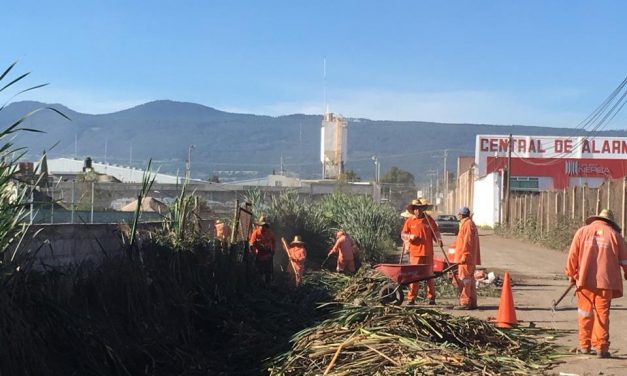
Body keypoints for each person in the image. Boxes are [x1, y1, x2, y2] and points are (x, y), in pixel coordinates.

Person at [565, 209, 627, 358]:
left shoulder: (582, 232)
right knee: (602, 314)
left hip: (584, 281)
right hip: (606, 282)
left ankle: (585, 346)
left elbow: (572, 255)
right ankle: (601, 348)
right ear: (610, 222)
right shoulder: (615, 236)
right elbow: (625, 260)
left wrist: (571, 274)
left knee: (584, 313)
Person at [401, 198, 443, 305]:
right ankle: (411, 298)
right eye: (416, 209)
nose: (418, 211)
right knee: (414, 276)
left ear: (422, 209)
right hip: (415, 253)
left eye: (420, 208)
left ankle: (431, 298)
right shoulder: (410, 221)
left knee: (429, 276)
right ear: (413, 210)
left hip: (428, 253)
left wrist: (439, 240)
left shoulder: (429, 220)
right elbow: (403, 235)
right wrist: (410, 236)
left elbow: (436, 232)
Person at [452, 207, 481, 310]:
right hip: (468, 258)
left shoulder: (467, 225)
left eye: (458, 214)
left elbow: (468, 242)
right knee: (470, 280)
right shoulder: (467, 224)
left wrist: (465, 255)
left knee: (464, 281)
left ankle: (465, 302)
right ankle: (472, 302)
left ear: (462, 215)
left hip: (465, 259)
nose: (458, 216)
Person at [249, 215, 276, 284]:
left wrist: (273, 251)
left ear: (266, 226)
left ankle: (268, 285)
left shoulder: (270, 233)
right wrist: (254, 253)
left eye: (263, 225)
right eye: (261, 225)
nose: (262, 227)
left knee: (268, 271)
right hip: (259, 254)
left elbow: (273, 241)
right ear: (258, 226)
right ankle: (259, 284)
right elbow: (252, 244)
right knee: (259, 271)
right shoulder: (255, 233)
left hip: (268, 253)